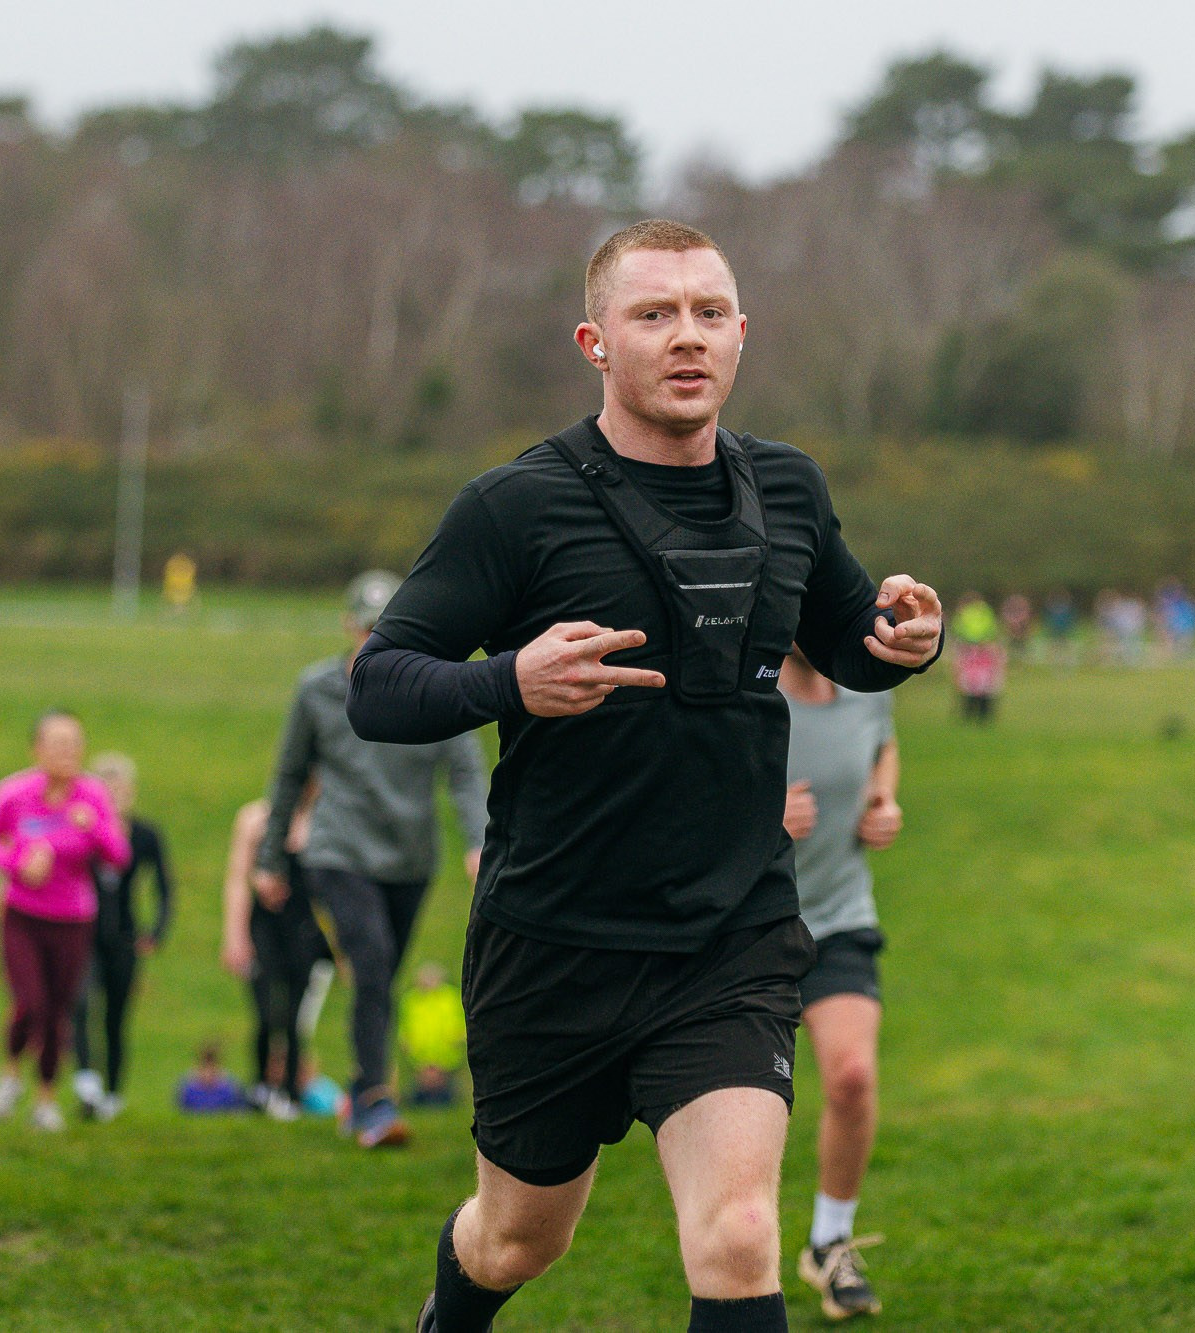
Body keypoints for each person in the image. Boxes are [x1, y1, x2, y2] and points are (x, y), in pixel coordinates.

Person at [347, 219, 941, 1332]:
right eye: (652, 314)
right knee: (519, 1237)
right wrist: (508, 682)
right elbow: (377, 685)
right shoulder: (512, 508)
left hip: (728, 935)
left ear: (740, 334)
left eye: (708, 313)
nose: (686, 337)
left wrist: (910, 639)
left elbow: (852, 640)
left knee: (735, 1235)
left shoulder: (788, 491)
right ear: (594, 341)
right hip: (553, 941)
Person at [255, 571, 490, 1150]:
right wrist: (269, 860)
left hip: (410, 855)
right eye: (366, 631)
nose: (373, 644)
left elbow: (464, 771)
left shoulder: (435, 688)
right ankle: (375, 1104)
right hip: (337, 849)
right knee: (374, 961)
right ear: (349, 627)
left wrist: (479, 839)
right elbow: (289, 775)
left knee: (380, 979)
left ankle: (360, 1090)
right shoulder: (317, 690)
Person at [779, 646, 903, 1320]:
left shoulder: (865, 687)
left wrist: (883, 798)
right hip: (744, 930)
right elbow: (675, 793)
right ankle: (733, 1251)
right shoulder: (745, 691)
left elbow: (883, 743)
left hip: (839, 917)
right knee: (753, 1111)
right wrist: (761, 820)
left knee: (852, 1076)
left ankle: (830, 1239)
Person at [0, 709, 131, 1131]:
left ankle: (44, 1099)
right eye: (57, 744)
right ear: (37, 749)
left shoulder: (92, 797)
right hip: (21, 914)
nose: (67, 752)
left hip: (74, 918)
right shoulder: (13, 794)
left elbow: (118, 856)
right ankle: (8, 1074)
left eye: (74, 744)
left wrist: (94, 827)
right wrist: (18, 862)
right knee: (30, 1001)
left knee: (58, 1010)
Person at [70, 751, 173, 1121]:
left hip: (124, 936)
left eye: (120, 788)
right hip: (82, 933)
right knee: (79, 1004)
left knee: (116, 1018)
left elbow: (164, 888)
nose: (113, 795)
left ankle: (112, 1094)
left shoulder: (146, 835)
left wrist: (156, 931)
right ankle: (86, 1081)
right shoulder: (81, 830)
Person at [223, 787, 335, 1120]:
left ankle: (290, 1093)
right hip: (264, 929)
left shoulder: (325, 821)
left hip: (304, 930)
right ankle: (261, 1086)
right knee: (265, 1011)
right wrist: (235, 936)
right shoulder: (255, 818)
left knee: (295, 1017)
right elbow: (237, 879)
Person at [398, 962, 466, 1109]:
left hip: (446, 1059)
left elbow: (461, 1024)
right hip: (419, 1059)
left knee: (445, 1096)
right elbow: (404, 1027)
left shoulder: (451, 997)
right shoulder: (410, 1000)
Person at [950, 593, 1003, 724]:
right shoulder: (983, 611)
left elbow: (958, 628)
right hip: (974, 647)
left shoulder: (969, 611)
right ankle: (975, 712)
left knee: (977, 681)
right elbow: (992, 628)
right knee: (972, 681)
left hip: (977, 648)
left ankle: (977, 712)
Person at [176, 1041, 248, 1114]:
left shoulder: (231, 1089)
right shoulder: (187, 1089)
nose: (208, 1074)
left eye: (212, 1069)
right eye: (205, 1069)